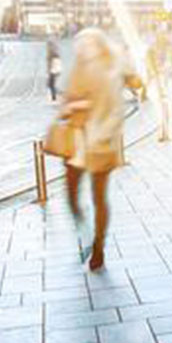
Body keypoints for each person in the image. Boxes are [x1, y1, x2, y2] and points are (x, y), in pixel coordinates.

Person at [61, 28, 138, 270]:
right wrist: (74, 105)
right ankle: (85, 233)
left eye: (87, 43)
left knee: (99, 197)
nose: (81, 47)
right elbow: (68, 99)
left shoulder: (111, 68)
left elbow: (116, 107)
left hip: (102, 142)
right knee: (71, 196)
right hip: (78, 139)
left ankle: (98, 248)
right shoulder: (80, 67)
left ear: (98, 45)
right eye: (79, 43)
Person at [46, 36, 62, 101]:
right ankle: (54, 97)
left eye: (49, 44)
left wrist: (50, 70)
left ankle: (57, 96)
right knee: (50, 84)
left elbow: (53, 63)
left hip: (53, 70)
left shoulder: (53, 54)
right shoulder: (53, 53)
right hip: (54, 69)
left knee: (50, 84)